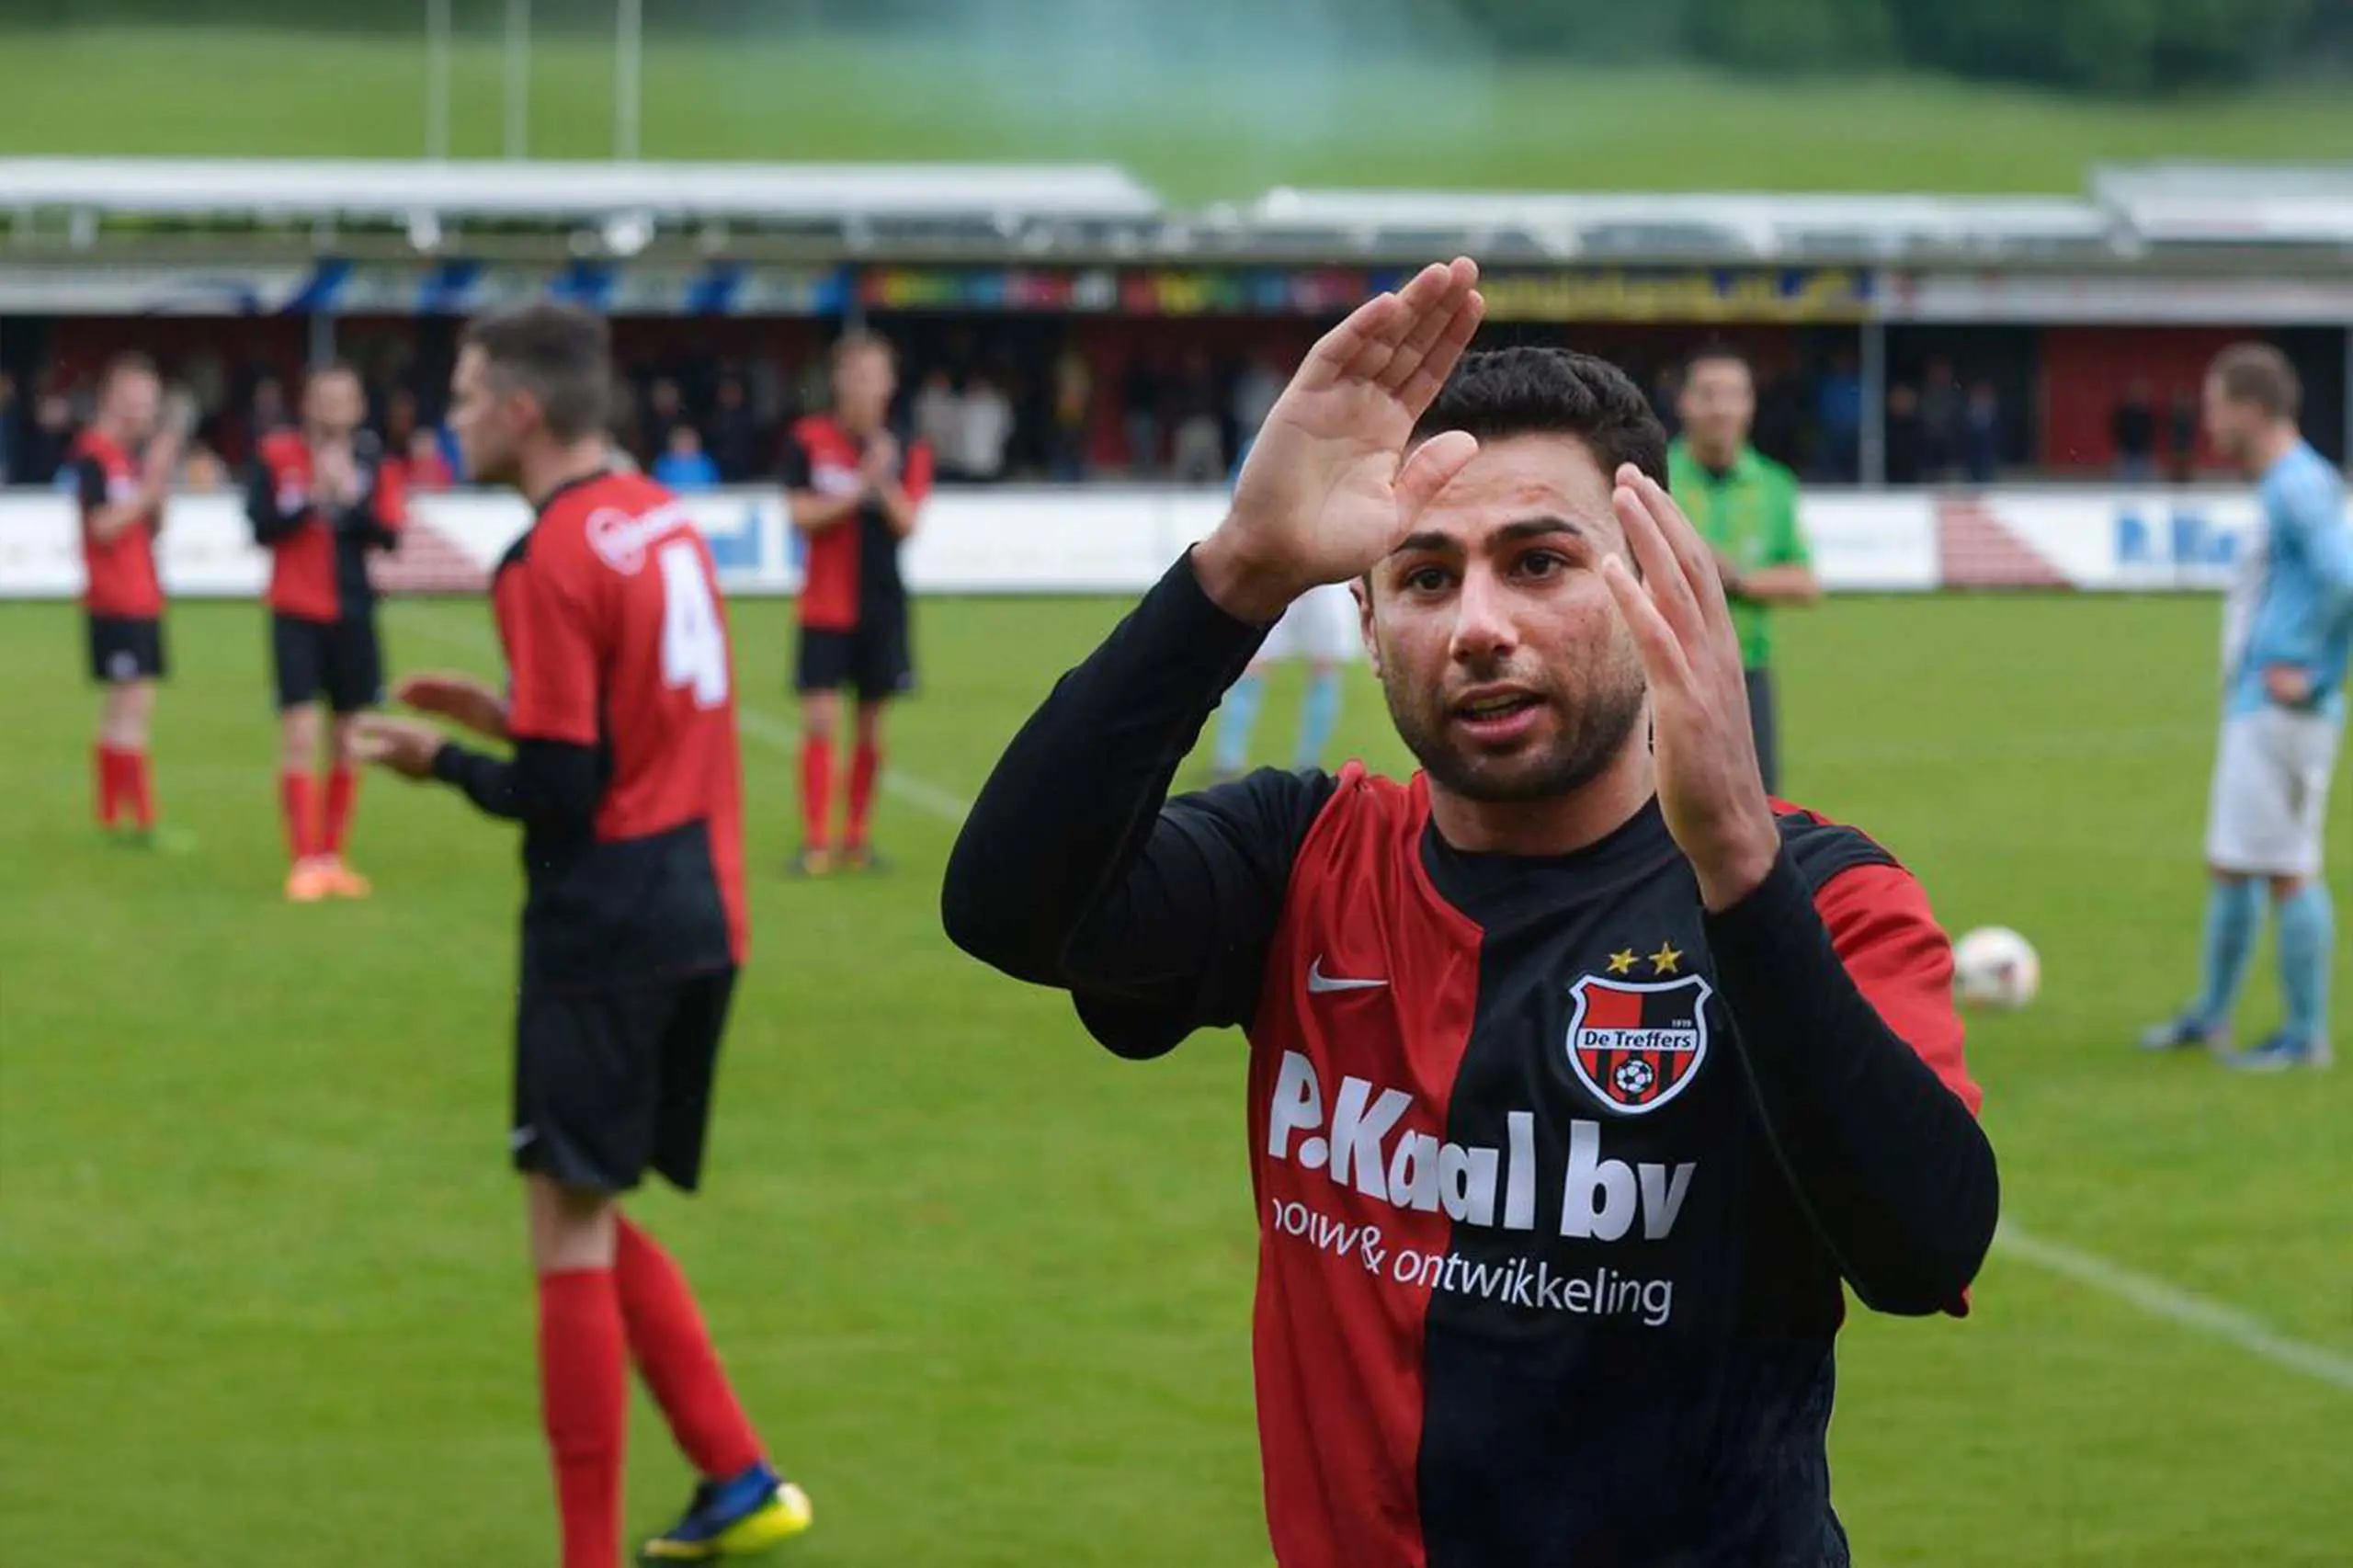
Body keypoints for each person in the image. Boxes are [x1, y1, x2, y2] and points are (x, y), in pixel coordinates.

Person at [942, 260, 1996, 1566]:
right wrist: (1237, 573)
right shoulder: (1302, 857)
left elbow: (1925, 1245)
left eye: (1538, 561)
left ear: (1651, 584)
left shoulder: (1823, 894)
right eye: (1427, 578)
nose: (1479, 624)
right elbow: (1005, 907)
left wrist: (1732, 858)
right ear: (1369, 622)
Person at [350, 303, 810, 1566]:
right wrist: (511, 714)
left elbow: (561, 794)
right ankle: (737, 1472)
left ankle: (589, 1547)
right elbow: (624, 726)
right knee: (586, 1196)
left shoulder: (546, 555)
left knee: (562, 1223)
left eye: (459, 393)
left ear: (520, 410)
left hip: (606, 921)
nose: (444, 417)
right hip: (702, 904)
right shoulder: (659, 516)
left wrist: (443, 759)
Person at [2141, 343, 2351, 1072]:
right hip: (2260, 705)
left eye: (2215, 404)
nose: (2208, 419)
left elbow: (2347, 578)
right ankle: (2211, 1016)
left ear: (2251, 410)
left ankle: (2304, 1038)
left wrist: (2319, 675)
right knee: (2232, 864)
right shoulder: (2288, 484)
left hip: (2283, 708)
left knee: (2290, 867)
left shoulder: (2299, 486)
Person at [246, 363, 404, 901]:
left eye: (345, 400)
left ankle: (333, 855)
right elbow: (261, 526)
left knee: (349, 737)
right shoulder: (277, 455)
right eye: (324, 399)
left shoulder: (372, 460)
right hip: (294, 610)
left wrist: (350, 499)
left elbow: (388, 535)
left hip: (354, 612)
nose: (335, 410)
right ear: (307, 404)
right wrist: (310, 497)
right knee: (299, 732)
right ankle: (303, 860)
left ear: (359, 408)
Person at [781, 333, 933, 875]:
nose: (864, 387)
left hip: (881, 604)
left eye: (874, 375)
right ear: (838, 381)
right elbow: (799, 515)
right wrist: (855, 490)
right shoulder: (809, 439)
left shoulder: (909, 446)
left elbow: (908, 523)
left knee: (870, 726)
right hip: (824, 603)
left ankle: (856, 838)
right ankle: (816, 841)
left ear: (890, 384)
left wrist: (883, 478)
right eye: (855, 375)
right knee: (820, 720)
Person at [1665, 344, 1820, 795]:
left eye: (1734, 394)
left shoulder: (1775, 485)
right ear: (1684, 402)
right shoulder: (1650, 476)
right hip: (1661, 675)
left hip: (1745, 676)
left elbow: (1805, 582)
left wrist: (1736, 579)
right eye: (1708, 394)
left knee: (1760, 813)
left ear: (1751, 404)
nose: (1722, 408)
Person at [74, 353, 186, 847]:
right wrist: (148, 487)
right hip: (115, 599)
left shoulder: (129, 458)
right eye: (135, 400)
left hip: (143, 596)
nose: (143, 411)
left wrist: (155, 489)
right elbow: (101, 527)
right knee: (132, 708)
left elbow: (151, 527)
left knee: (127, 708)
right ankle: (138, 821)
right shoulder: (93, 455)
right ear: (111, 399)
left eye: (150, 403)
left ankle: (112, 819)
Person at [1210, 434, 1355, 780]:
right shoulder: (1261, 446)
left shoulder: (1339, 449)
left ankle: (1308, 762)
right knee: (1251, 665)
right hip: (1274, 572)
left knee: (1324, 667)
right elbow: (1238, 501)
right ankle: (1228, 759)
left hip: (1324, 576)